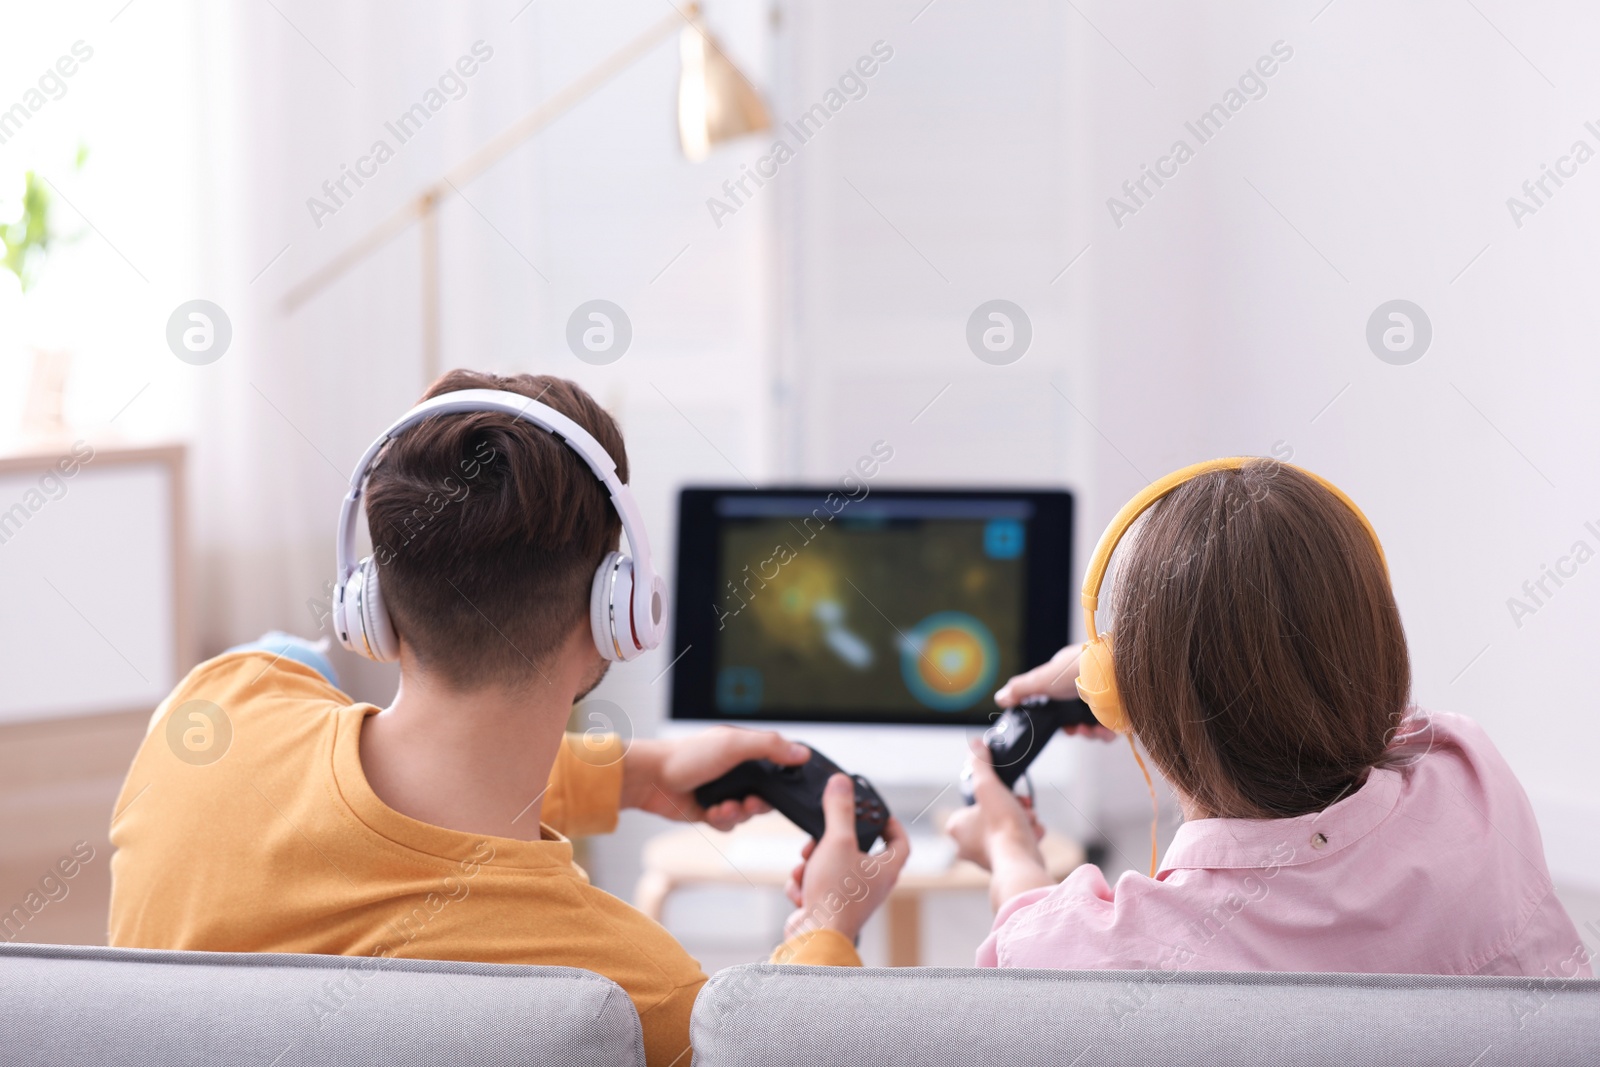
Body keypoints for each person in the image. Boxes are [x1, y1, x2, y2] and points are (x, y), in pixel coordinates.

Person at [109, 371, 909, 1067]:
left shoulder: (210, 719)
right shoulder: (626, 989)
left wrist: (638, 775)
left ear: (373, 603)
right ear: (615, 616)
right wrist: (825, 928)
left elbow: (392, 819)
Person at [946, 457, 1591, 982]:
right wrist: (1156, 679)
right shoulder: (1470, 773)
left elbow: (1028, 935)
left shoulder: (1138, 956)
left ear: (1116, 693)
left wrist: (1006, 844)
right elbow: (1343, 689)